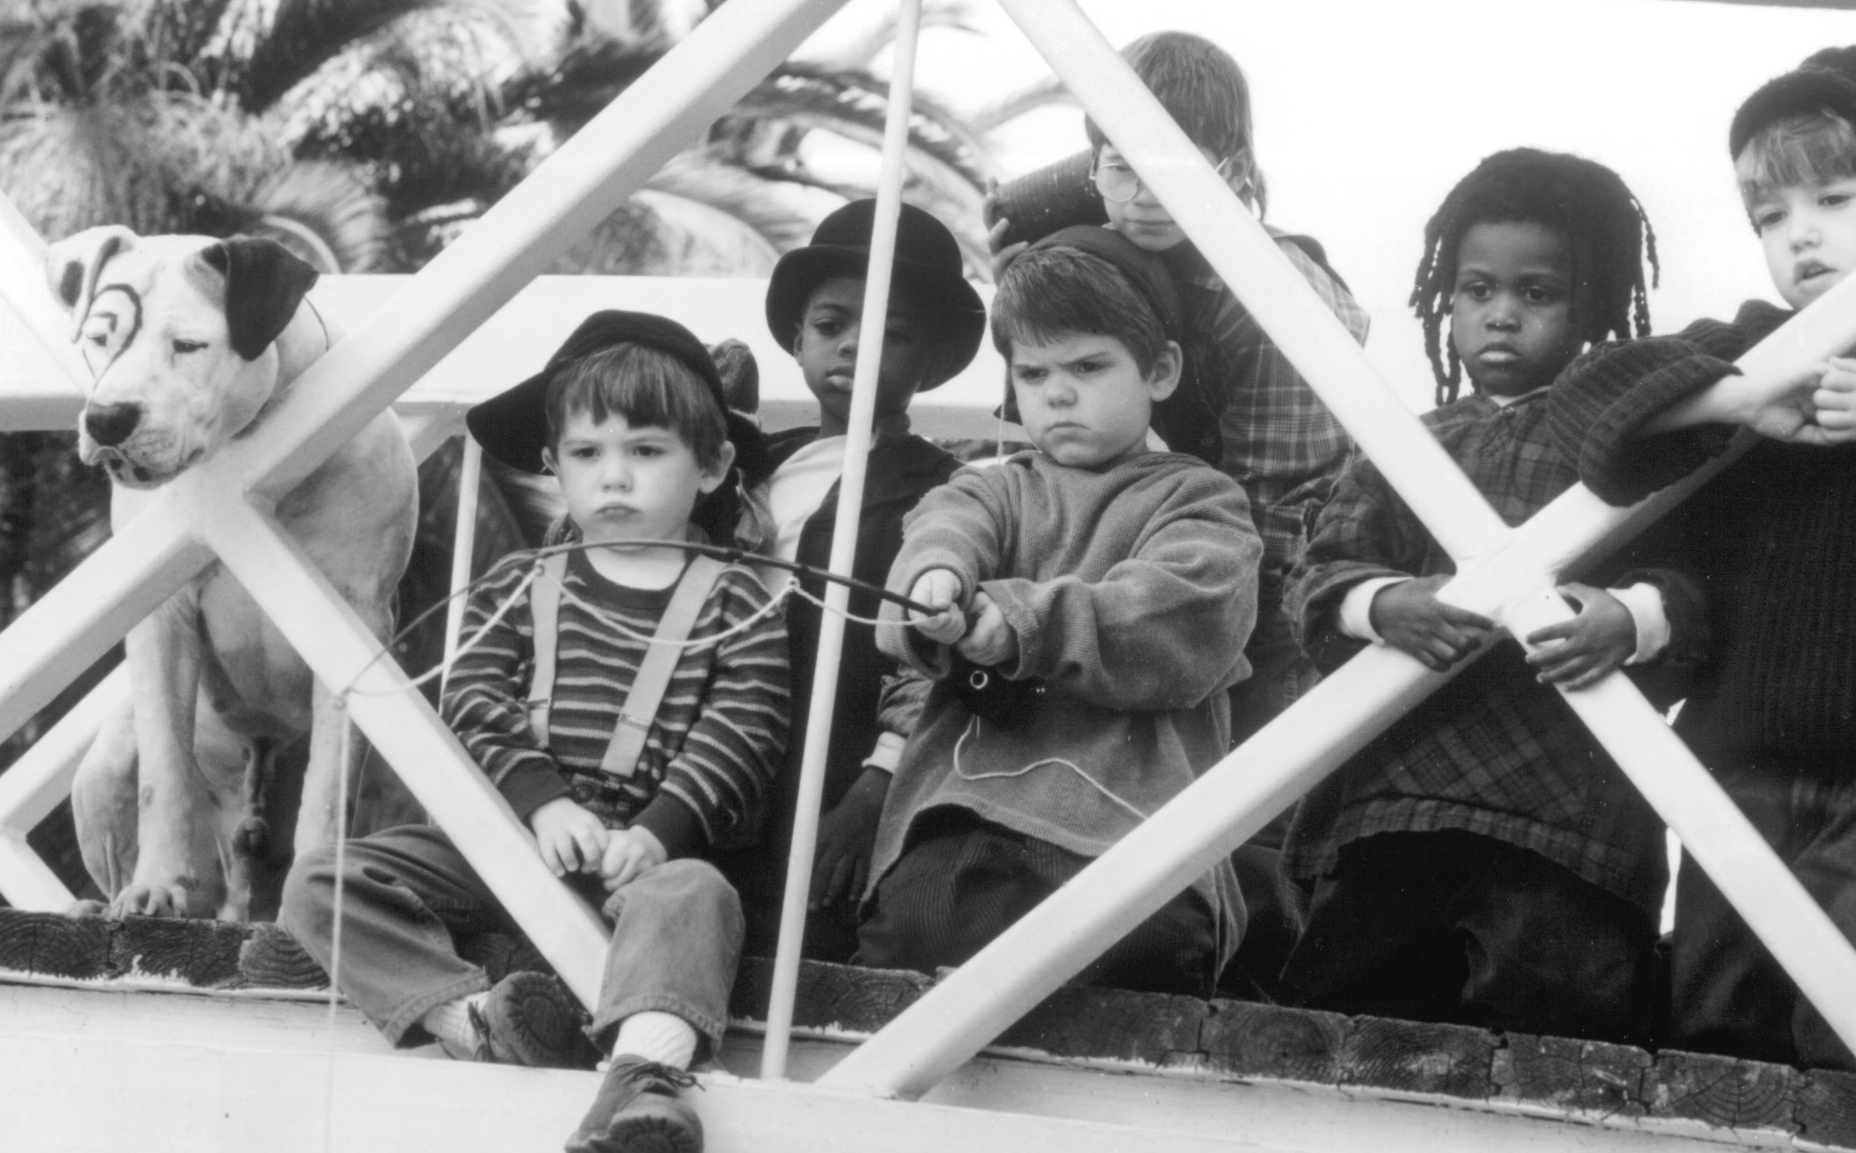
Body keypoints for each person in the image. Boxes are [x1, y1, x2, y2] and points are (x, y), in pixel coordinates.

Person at [1548, 46, 1856, 1090]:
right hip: (1739, 760)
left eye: (1832, 196)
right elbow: (1583, 404)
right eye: (1768, 217)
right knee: (1717, 1029)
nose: (1799, 234)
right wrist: (1731, 397)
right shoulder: (1747, 346)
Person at [280, 311, 791, 1153]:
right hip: (514, 842)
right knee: (325, 879)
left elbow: (744, 729)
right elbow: (476, 697)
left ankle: (642, 1082)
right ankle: (473, 1015)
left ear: (712, 464)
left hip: (645, 854)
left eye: (647, 450)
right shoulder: (523, 582)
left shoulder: (741, 599)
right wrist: (542, 805)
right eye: (588, 454)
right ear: (554, 466)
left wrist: (662, 832)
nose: (615, 477)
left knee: (702, 897)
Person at [1278, 149, 1698, 1043]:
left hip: (1563, 820)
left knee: (1553, 1057)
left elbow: (1697, 584)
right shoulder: (1407, 444)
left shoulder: (1630, 448)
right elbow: (1319, 574)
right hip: (1389, 806)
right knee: (1339, 1037)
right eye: (1475, 290)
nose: (1500, 314)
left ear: (1592, 304)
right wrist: (1384, 601)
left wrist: (1632, 617)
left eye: (1537, 293)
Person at [993, 30, 1371, 995]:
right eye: (1118, 159)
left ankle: (1245, 1013)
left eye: (1178, 161)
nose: (1144, 186)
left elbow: (1282, 502)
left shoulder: (1273, 292)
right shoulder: (1089, 258)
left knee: (1247, 822)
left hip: (1259, 583)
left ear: (1233, 165)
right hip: (1112, 570)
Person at [855, 228, 1262, 996]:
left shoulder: (1203, 499)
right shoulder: (993, 485)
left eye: (1088, 365)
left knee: (1135, 978)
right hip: (967, 818)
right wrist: (936, 584)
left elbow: (1182, 615)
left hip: (1136, 839)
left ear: (1161, 369)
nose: (1059, 392)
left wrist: (1020, 620)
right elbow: (943, 529)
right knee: (913, 941)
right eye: (1034, 372)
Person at [733, 198, 984, 960]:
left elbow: (934, 659)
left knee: (811, 930)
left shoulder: (947, 491)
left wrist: (878, 783)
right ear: (797, 338)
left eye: (890, 334)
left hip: (843, 752)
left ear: (931, 358)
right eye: (831, 325)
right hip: (726, 740)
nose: (853, 348)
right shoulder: (744, 464)